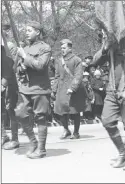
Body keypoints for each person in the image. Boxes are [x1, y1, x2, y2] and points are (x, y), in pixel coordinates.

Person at [91, 29, 125, 171]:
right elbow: (95, 61)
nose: (104, 37)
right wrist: (104, 47)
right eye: (103, 35)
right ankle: (123, 153)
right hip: (112, 91)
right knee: (107, 121)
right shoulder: (109, 48)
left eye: (106, 35)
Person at [15, 21, 51, 159]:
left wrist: (25, 57)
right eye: (26, 30)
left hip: (40, 89)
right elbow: (18, 68)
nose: (26, 32)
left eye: (29, 30)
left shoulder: (45, 48)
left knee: (40, 118)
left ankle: (41, 149)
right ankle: (33, 142)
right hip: (25, 88)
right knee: (20, 113)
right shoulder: (24, 48)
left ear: (38, 32)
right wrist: (21, 68)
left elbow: (41, 65)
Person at [52, 39, 92, 139]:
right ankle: (66, 130)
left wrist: (72, 88)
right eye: (61, 48)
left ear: (70, 48)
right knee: (61, 110)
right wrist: (54, 89)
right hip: (61, 89)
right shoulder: (58, 60)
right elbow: (56, 76)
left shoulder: (77, 60)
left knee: (75, 111)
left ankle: (76, 132)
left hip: (74, 89)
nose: (62, 50)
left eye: (64, 48)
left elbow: (78, 76)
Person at [1, 45, 19, 150]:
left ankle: (15, 139)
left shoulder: (6, 59)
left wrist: (2, 85)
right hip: (4, 89)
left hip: (9, 89)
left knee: (11, 112)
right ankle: (3, 136)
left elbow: (7, 75)